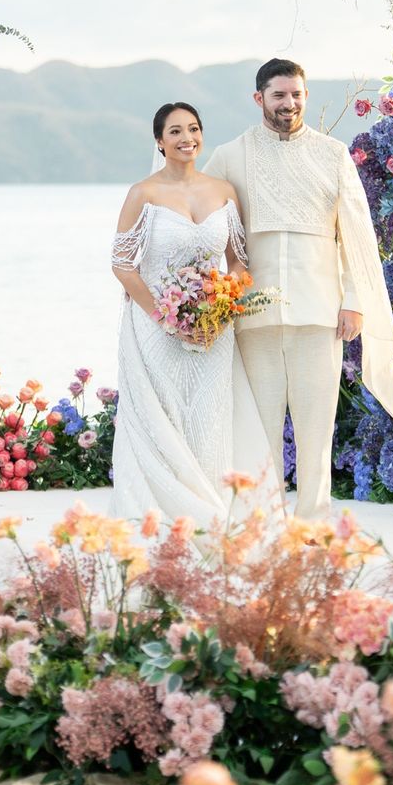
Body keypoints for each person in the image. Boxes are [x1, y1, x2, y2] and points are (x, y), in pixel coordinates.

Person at [204, 58, 393, 520]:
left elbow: (355, 235)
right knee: (260, 430)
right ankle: (265, 523)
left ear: (306, 96)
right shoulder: (229, 155)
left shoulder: (333, 154)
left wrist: (355, 303)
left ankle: (313, 522)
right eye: (278, 95)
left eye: (296, 94)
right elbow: (200, 216)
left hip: (321, 316)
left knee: (317, 430)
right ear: (259, 99)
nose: (288, 103)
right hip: (252, 317)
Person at [110, 101, 280, 528]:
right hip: (155, 328)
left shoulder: (223, 191)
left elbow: (239, 262)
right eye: (175, 132)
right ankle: (160, 514)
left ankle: (210, 508)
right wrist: (164, 317)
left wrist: (221, 305)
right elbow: (122, 263)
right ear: (160, 141)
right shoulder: (143, 194)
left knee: (208, 416)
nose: (187, 138)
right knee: (162, 415)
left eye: (194, 129)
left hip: (213, 329)